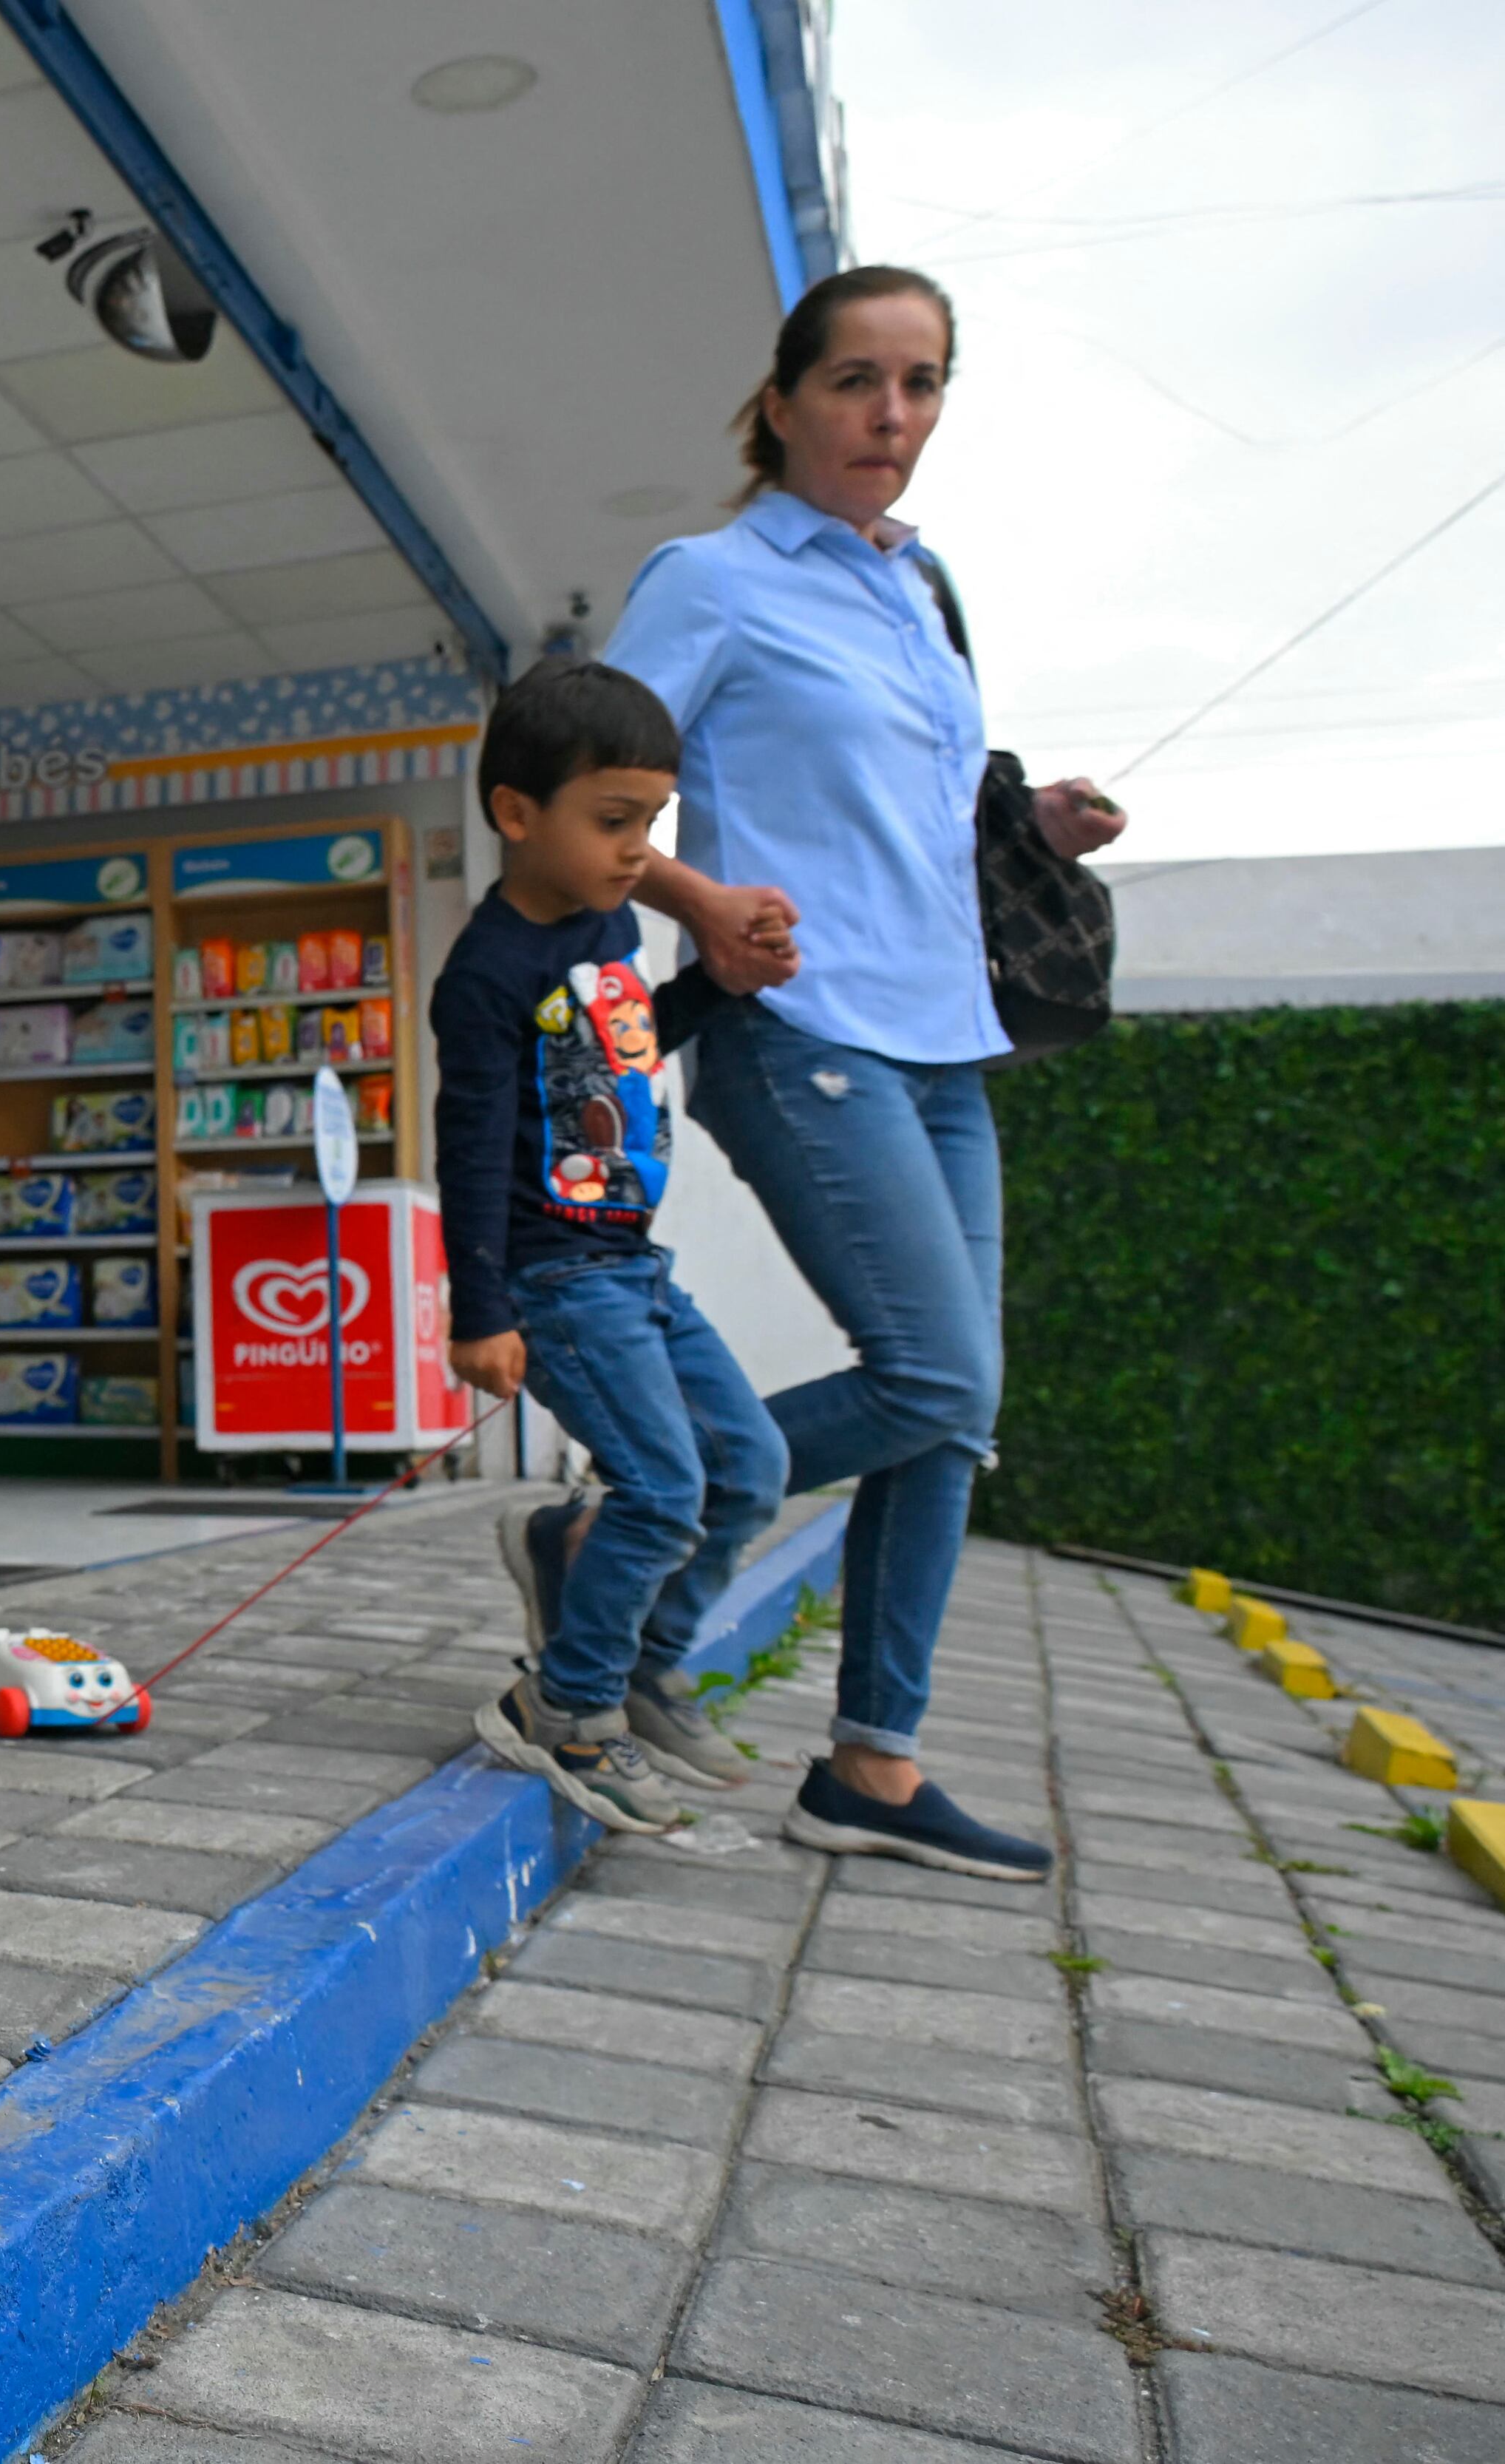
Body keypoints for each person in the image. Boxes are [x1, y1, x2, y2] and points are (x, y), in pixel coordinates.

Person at [598, 264, 1127, 1882]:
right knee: (936, 1376)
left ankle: (871, 1765)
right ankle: (612, 1532)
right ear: (780, 402)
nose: (887, 416)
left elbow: (912, 814)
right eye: (853, 381)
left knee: (948, 1417)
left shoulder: (924, 585)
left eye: (919, 384)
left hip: (945, 1041)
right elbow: (572, 776)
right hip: (800, 1030)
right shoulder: (712, 576)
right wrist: (694, 899)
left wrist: (1030, 830)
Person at [435, 657, 787, 1835]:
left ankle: (635, 1656)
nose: (641, 849)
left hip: (635, 1259)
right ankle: (567, 1708)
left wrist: (720, 984)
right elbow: (473, 1145)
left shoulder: (612, 925)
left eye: (653, 821)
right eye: (615, 821)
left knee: (751, 1468)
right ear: (516, 813)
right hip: (556, 1275)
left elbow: (629, 1043)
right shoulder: (486, 974)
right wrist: (477, 1310)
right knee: (663, 1485)